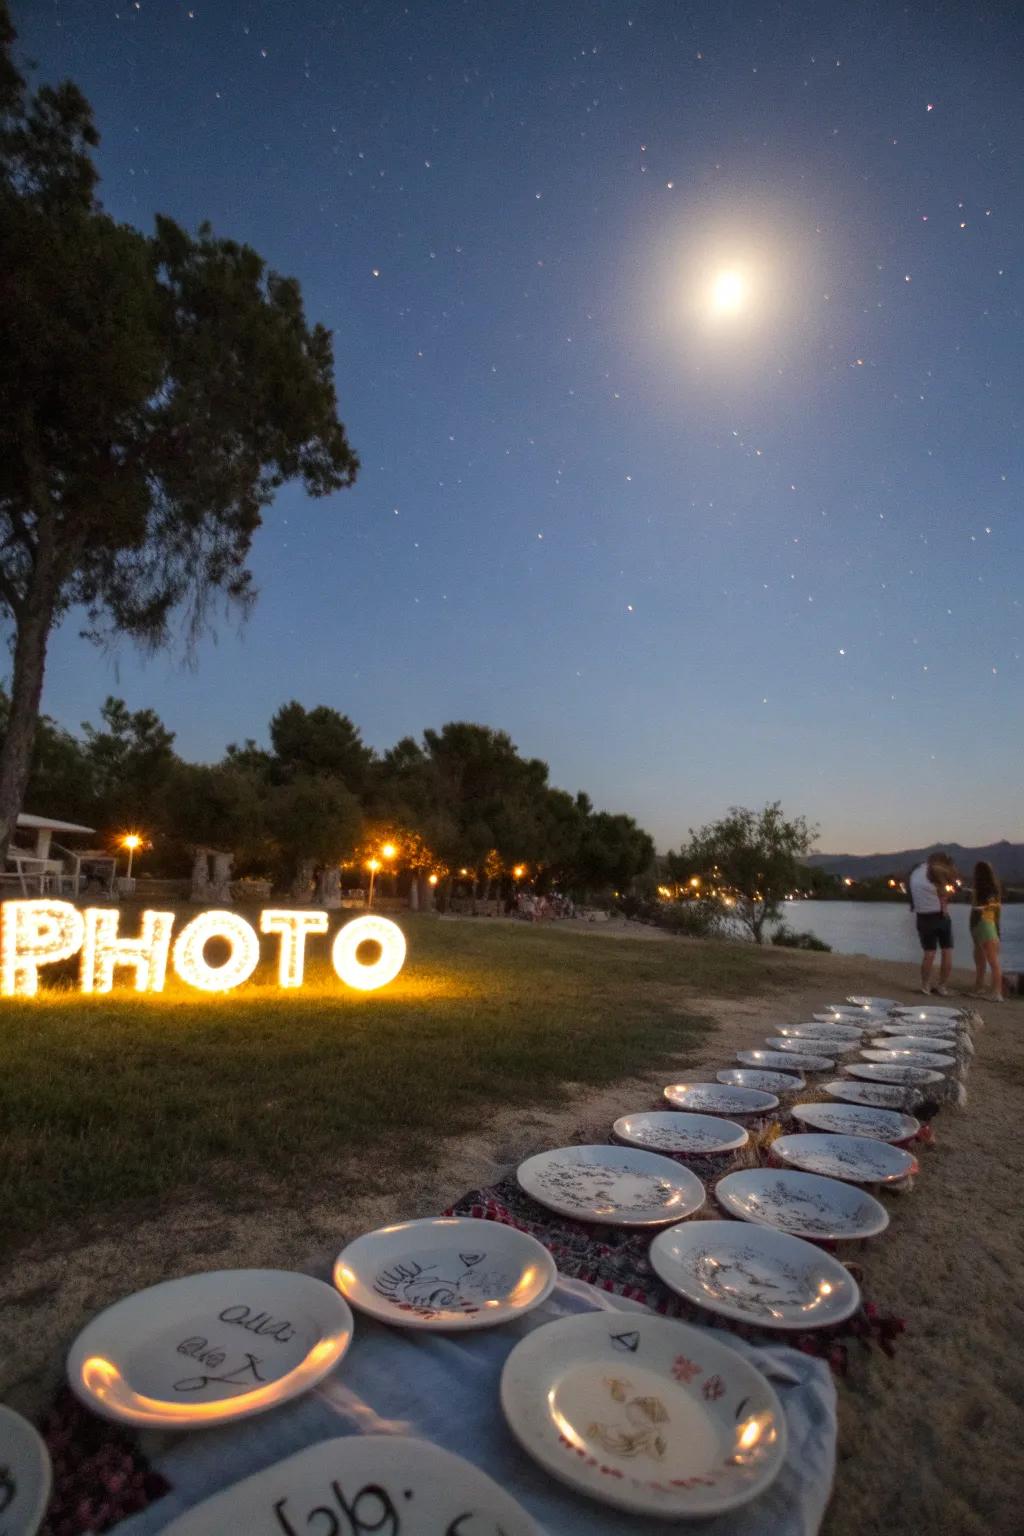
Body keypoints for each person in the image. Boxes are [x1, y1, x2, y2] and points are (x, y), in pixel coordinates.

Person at [908, 852, 956, 995]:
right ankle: (942, 986)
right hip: (941, 916)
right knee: (947, 951)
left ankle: (925, 986)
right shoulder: (936, 873)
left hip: (923, 917)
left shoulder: (915, 873)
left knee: (929, 953)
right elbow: (944, 894)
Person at [968, 860, 1003, 1002]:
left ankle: (996, 992)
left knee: (992, 960)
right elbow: (996, 911)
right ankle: (979, 987)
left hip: (984, 925)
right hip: (983, 926)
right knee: (981, 958)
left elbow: (989, 909)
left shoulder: (987, 891)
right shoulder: (989, 890)